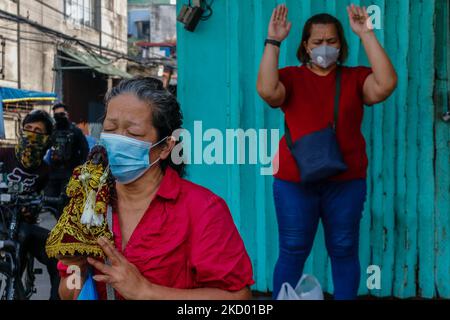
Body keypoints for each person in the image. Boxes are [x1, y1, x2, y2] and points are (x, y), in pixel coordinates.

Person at [57, 77, 255, 300]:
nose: (118, 141)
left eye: (133, 134)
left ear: (165, 147)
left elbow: (239, 298)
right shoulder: (90, 205)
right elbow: (68, 291)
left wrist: (146, 291)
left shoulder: (203, 209)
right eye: (110, 129)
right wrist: (77, 268)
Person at [257, 4, 397, 300]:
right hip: (294, 181)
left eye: (331, 41)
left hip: (346, 181)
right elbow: (268, 91)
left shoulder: (356, 78)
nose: (324, 47)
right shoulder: (291, 77)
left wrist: (367, 33)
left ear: (341, 45)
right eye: (317, 42)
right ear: (306, 46)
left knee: (344, 248)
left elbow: (385, 84)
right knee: (293, 249)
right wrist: (273, 42)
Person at [0, 110, 60, 300]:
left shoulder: (45, 170)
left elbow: (40, 200)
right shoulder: (4, 154)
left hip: (22, 225)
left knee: (59, 252)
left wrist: (31, 209)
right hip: (2, 224)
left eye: (38, 131)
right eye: (28, 129)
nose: (32, 134)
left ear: (47, 140)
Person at [45, 104, 89, 218]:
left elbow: (85, 150)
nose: (59, 117)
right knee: (49, 201)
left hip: (70, 173)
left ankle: (65, 226)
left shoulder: (75, 131)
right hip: (53, 173)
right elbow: (44, 147)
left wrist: (82, 170)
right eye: (56, 115)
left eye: (61, 114)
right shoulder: (52, 131)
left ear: (67, 114)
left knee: (66, 203)